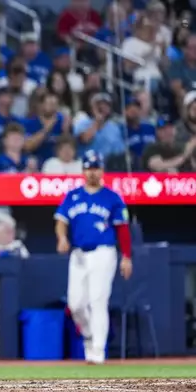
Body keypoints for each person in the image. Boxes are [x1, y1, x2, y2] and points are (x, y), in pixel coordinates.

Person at [54, 150, 133, 365]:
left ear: (102, 170)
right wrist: (62, 238)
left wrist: (126, 256)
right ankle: (89, 335)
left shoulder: (112, 197)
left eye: (95, 168)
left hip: (104, 252)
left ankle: (98, 350)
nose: (92, 172)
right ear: (83, 171)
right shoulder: (73, 196)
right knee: (75, 303)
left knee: (98, 300)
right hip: (78, 254)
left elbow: (123, 229)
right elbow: (61, 221)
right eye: (88, 168)